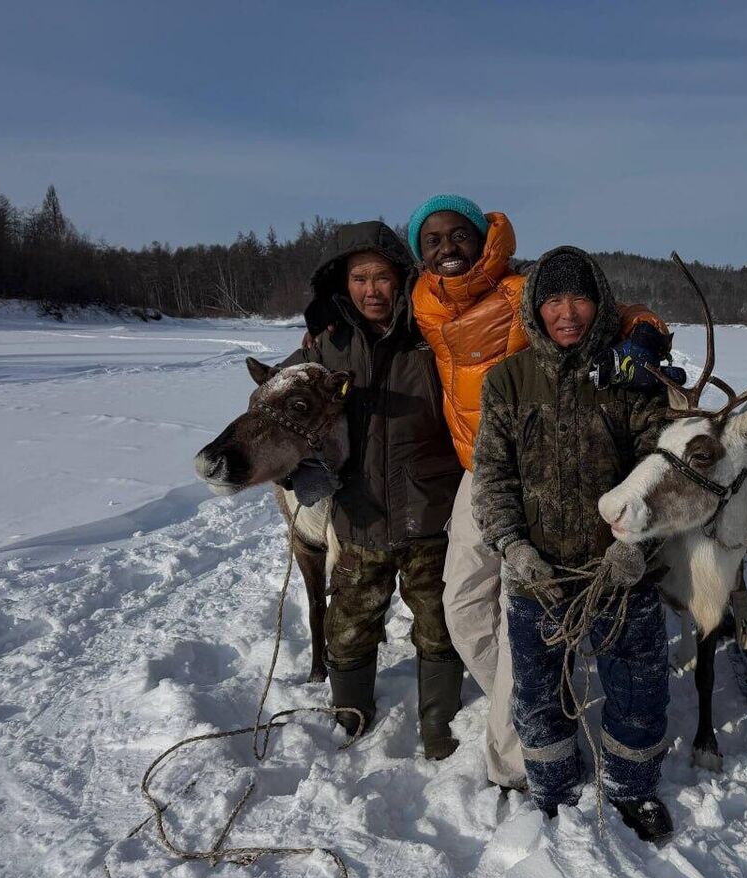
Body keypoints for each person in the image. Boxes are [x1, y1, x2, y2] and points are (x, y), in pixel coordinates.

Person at [406, 195, 670, 789]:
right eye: (432, 239)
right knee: (463, 606)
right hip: (485, 470)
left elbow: (624, 315)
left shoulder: (524, 288)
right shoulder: (420, 303)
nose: (447, 248)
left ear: (484, 240)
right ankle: (541, 686)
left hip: (550, 468)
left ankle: (518, 759)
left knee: (515, 607)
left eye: (459, 235)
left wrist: (648, 340)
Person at [471, 246, 674, 843]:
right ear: (534, 306)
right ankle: (553, 789)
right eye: (552, 298)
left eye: (579, 297)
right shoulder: (507, 380)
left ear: (601, 302)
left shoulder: (631, 378)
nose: (567, 312)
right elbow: (493, 476)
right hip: (538, 574)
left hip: (620, 569)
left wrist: (637, 546)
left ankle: (632, 789)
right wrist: (513, 547)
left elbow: (659, 471)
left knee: (639, 686)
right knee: (537, 694)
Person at [285, 221, 465, 760]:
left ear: (401, 279)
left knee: (438, 627)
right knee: (348, 626)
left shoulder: (434, 335)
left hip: (430, 513)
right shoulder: (326, 347)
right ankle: (351, 713)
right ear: (344, 284)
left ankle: (439, 725)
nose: (371, 290)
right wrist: (301, 469)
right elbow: (279, 413)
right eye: (359, 278)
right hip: (359, 514)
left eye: (381, 277)